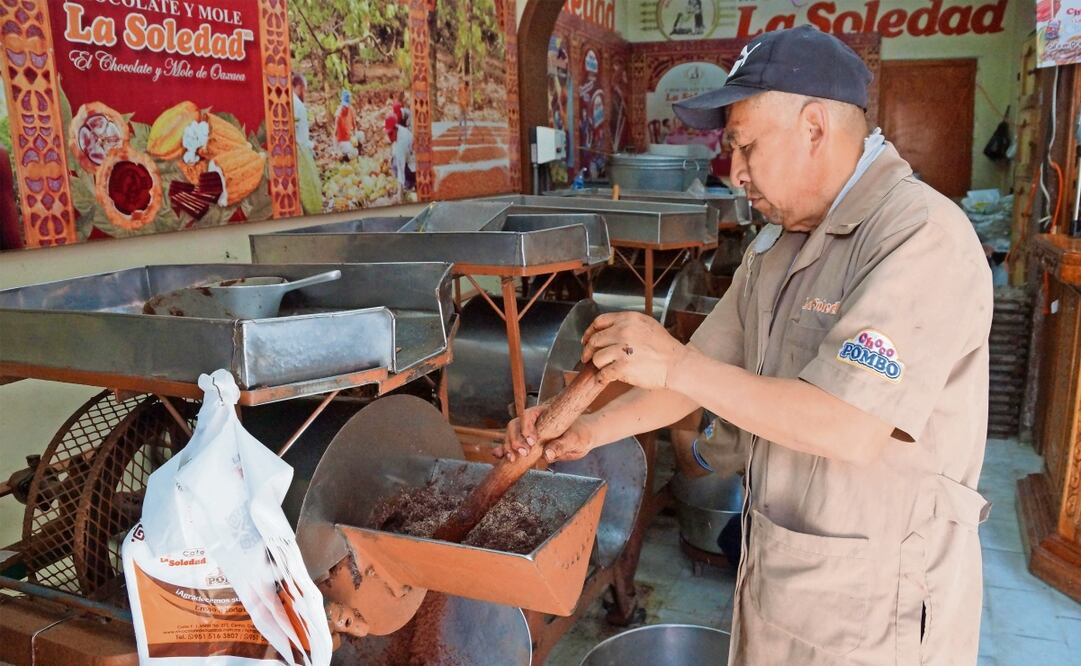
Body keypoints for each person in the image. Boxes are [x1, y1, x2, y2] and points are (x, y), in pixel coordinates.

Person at [501, 25, 992, 665]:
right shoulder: (778, 243)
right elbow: (697, 375)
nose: (734, 174)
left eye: (745, 146)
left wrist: (673, 362)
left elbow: (850, 426)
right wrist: (589, 430)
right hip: (782, 578)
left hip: (880, 607)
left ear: (814, 128)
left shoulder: (920, 237)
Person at [385, 113, 415, 193]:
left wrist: (399, 192)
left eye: (391, 133)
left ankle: (409, 185)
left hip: (414, 169)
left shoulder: (402, 142)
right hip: (410, 160)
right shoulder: (399, 130)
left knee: (395, 165)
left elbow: (400, 167)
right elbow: (394, 149)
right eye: (388, 134)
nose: (389, 137)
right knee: (393, 159)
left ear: (395, 129)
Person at [334, 89, 364, 161]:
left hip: (350, 137)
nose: (345, 108)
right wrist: (336, 150)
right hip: (342, 141)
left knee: (361, 135)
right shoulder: (338, 116)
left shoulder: (351, 110)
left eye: (347, 106)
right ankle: (343, 158)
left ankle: (358, 154)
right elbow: (335, 134)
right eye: (344, 106)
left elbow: (354, 126)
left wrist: (354, 137)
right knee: (354, 152)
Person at [291, 72, 312, 151]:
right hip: (299, 149)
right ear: (299, 88)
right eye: (304, 91)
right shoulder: (298, 104)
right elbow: (296, 132)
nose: (305, 94)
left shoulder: (292, 100)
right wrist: (311, 145)